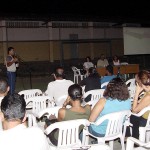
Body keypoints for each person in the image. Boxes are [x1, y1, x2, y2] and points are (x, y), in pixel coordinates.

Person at [130, 70, 150, 139]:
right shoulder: (147, 92)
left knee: (132, 117)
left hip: (146, 120)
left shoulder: (148, 96)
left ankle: (134, 139)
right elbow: (140, 102)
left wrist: (137, 92)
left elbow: (134, 111)